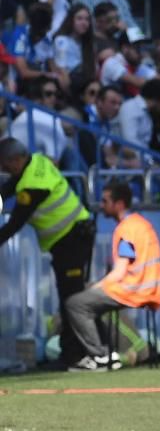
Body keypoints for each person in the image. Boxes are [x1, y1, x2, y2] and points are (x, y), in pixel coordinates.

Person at [0, 137, 95, 370]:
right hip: (71, 238)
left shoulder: (33, 185)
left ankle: (78, 356)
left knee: (72, 300)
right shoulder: (37, 162)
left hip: (71, 240)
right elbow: (10, 186)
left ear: (16, 160)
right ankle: (75, 353)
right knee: (70, 298)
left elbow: (15, 223)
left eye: (5, 164)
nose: (4, 169)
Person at [64, 180, 160, 371]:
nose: (102, 206)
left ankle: (99, 356)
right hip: (149, 288)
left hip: (132, 289)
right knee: (87, 298)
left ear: (119, 204)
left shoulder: (125, 229)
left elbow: (120, 271)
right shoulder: (141, 223)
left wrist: (96, 287)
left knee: (75, 303)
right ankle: (104, 352)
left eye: (105, 201)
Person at [100, 26, 156, 96]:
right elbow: (138, 82)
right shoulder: (112, 62)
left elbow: (158, 78)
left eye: (143, 47)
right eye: (137, 47)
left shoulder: (139, 65)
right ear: (125, 48)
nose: (141, 52)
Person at [53, 3, 96, 81]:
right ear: (71, 20)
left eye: (87, 19)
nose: (84, 23)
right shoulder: (61, 41)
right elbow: (61, 70)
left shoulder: (88, 44)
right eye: (79, 19)